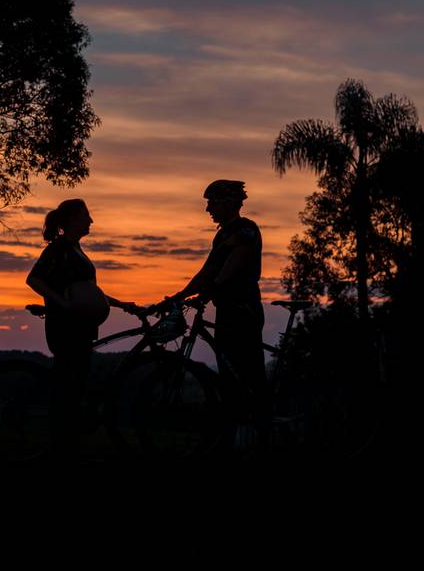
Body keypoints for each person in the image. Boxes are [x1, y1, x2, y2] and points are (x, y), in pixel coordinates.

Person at [156, 179, 268, 447]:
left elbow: (233, 264)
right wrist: (180, 296)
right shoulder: (222, 234)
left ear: (228, 203)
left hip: (243, 310)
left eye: (212, 203)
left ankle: (262, 432)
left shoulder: (246, 229)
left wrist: (210, 290)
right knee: (229, 376)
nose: (208, 209)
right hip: (226, 310)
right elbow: (206, 272)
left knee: (248, 373)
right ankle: (234, 437)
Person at [26, 198, 137, 460]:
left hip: (81, 327)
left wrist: (123, 305)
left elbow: (88, 291)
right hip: (67, 328)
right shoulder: (59, 248)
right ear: (72, 219)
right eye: (86, 216)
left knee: (74, 384)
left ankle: (66, 443)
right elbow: (34, 279)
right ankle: (60, 446)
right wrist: (61, 303)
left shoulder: (75, 249)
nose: (91, 220)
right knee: (67, 387)